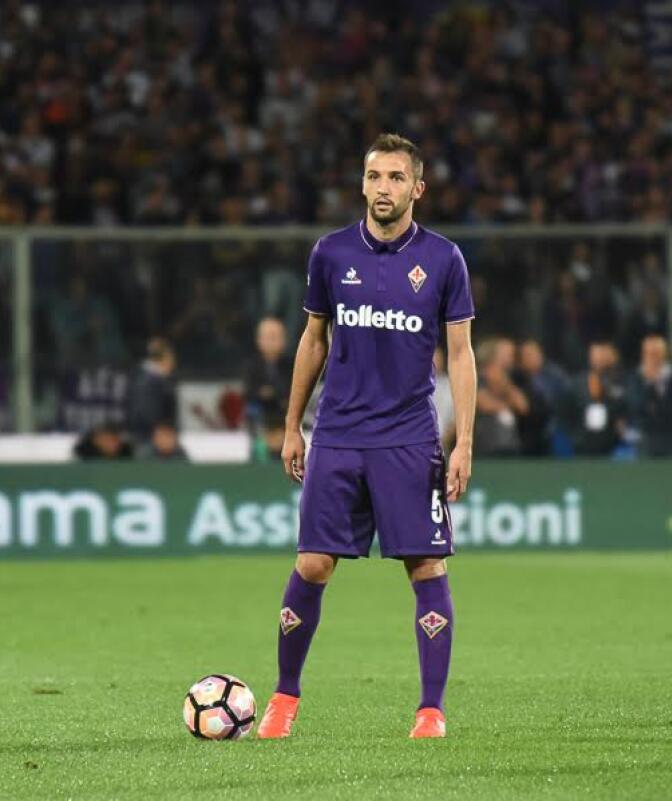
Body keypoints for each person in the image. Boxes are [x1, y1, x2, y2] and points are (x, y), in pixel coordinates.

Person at [259, 133, 476, 741]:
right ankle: (283, 698)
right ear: (362, 184)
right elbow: (312, 341)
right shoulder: (330, 254)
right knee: (312, 562)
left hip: (409, 439)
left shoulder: (443, 259)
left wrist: (462, 442)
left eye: (397, 178)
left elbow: (461, 356)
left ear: (417, 188)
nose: (385, 188)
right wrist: (292, 424)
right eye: (375, 177)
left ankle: (430, 712)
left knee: (426, 565)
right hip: (338, 436)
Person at [626, 335, 672, 458]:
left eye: (656, 353)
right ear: (643, 354)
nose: (653, 358)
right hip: (645, 438)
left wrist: (656, 405)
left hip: (670, 438)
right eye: (649, 353)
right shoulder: (636, 378)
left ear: (664, 354)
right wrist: (650, 384)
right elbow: (635, 407)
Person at [567, 341, 627, 456]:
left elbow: (624, 407)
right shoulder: (577, 382)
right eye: (595, 354)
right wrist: (575, 436)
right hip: (583, 445)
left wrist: (603, 397)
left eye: (602, 353)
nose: (599, 358)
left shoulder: (622, 380)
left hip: (612, 445)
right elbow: (565, 411)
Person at [125, 338, 177, 445]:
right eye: (171, 358)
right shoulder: (149, 381)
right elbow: (145, 414)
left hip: (152, 438)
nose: (173, 363)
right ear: (165, 358)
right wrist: (160, 435)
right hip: (149, 440)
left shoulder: (147, 378)